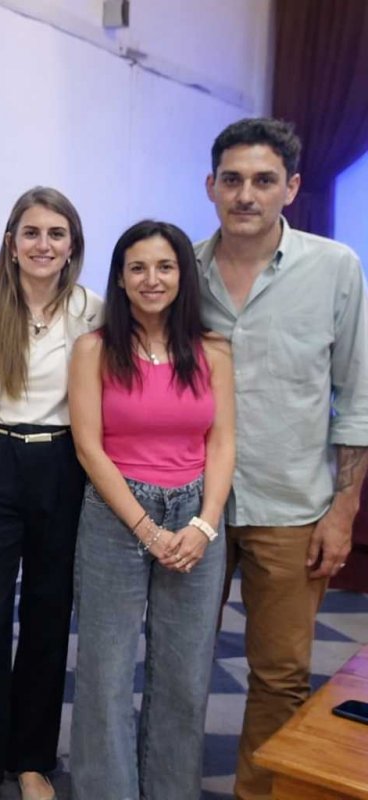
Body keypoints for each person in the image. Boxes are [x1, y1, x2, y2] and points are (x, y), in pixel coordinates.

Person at [196, 117, 368, 799]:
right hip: (191, 506)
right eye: (233, 179)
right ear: (210, 186)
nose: (247, 194)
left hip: (291, 507)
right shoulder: (179, 271)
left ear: (291, 188)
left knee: (279, 675)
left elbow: (358, 397)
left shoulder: (335, 268)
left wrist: (343, 511)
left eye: (264, 181)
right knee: (180, 667)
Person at [69, 220, 235, 799]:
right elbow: (88, 446)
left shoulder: (213, 350)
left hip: (195, 514)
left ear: (183, 275)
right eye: (137, 267)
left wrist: (204, 524)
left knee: (185, 674)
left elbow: (222, 441)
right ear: (120, 278)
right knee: (106, 672)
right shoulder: (93, 349)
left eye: (165, 266)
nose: (152, 279)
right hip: (116, 513)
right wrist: (146, 528)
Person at [0, 187, 102, 800]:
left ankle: (32, 758)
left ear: (72, 245)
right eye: (31, 233)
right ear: (11, 244)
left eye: (56, 233)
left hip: (63, 464)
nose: (43, 244)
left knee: (47, 614)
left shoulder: (93, 311)